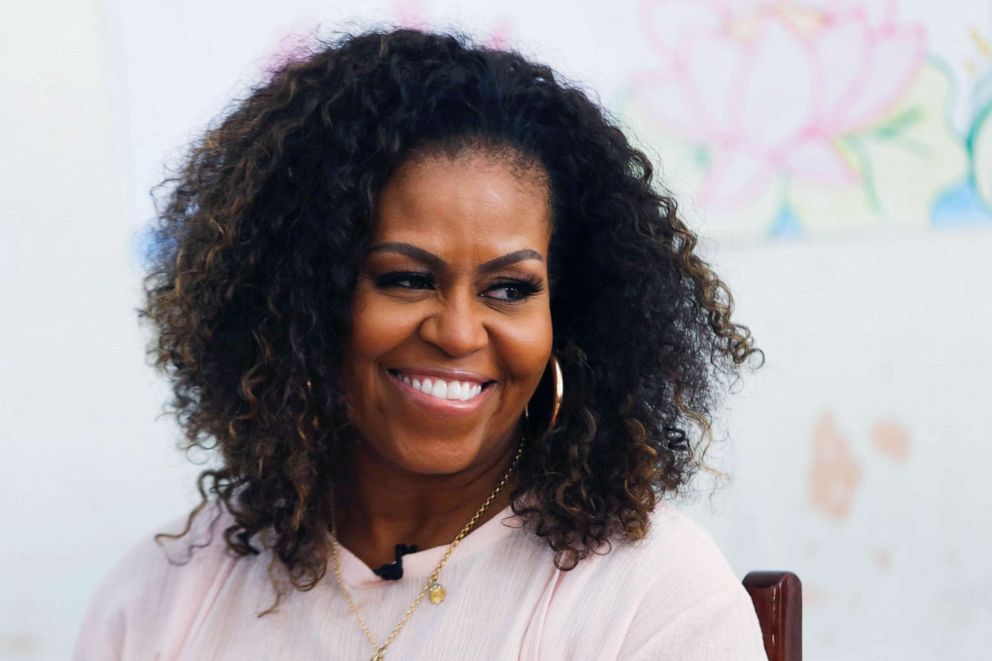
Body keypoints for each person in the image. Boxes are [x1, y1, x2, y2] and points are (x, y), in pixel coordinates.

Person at [76, 28, 766, 660]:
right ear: (308, 304)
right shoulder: (162, 600)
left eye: (509, 288)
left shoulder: (653, 598)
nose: (459, 332)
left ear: (573, 316)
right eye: (407, 279)